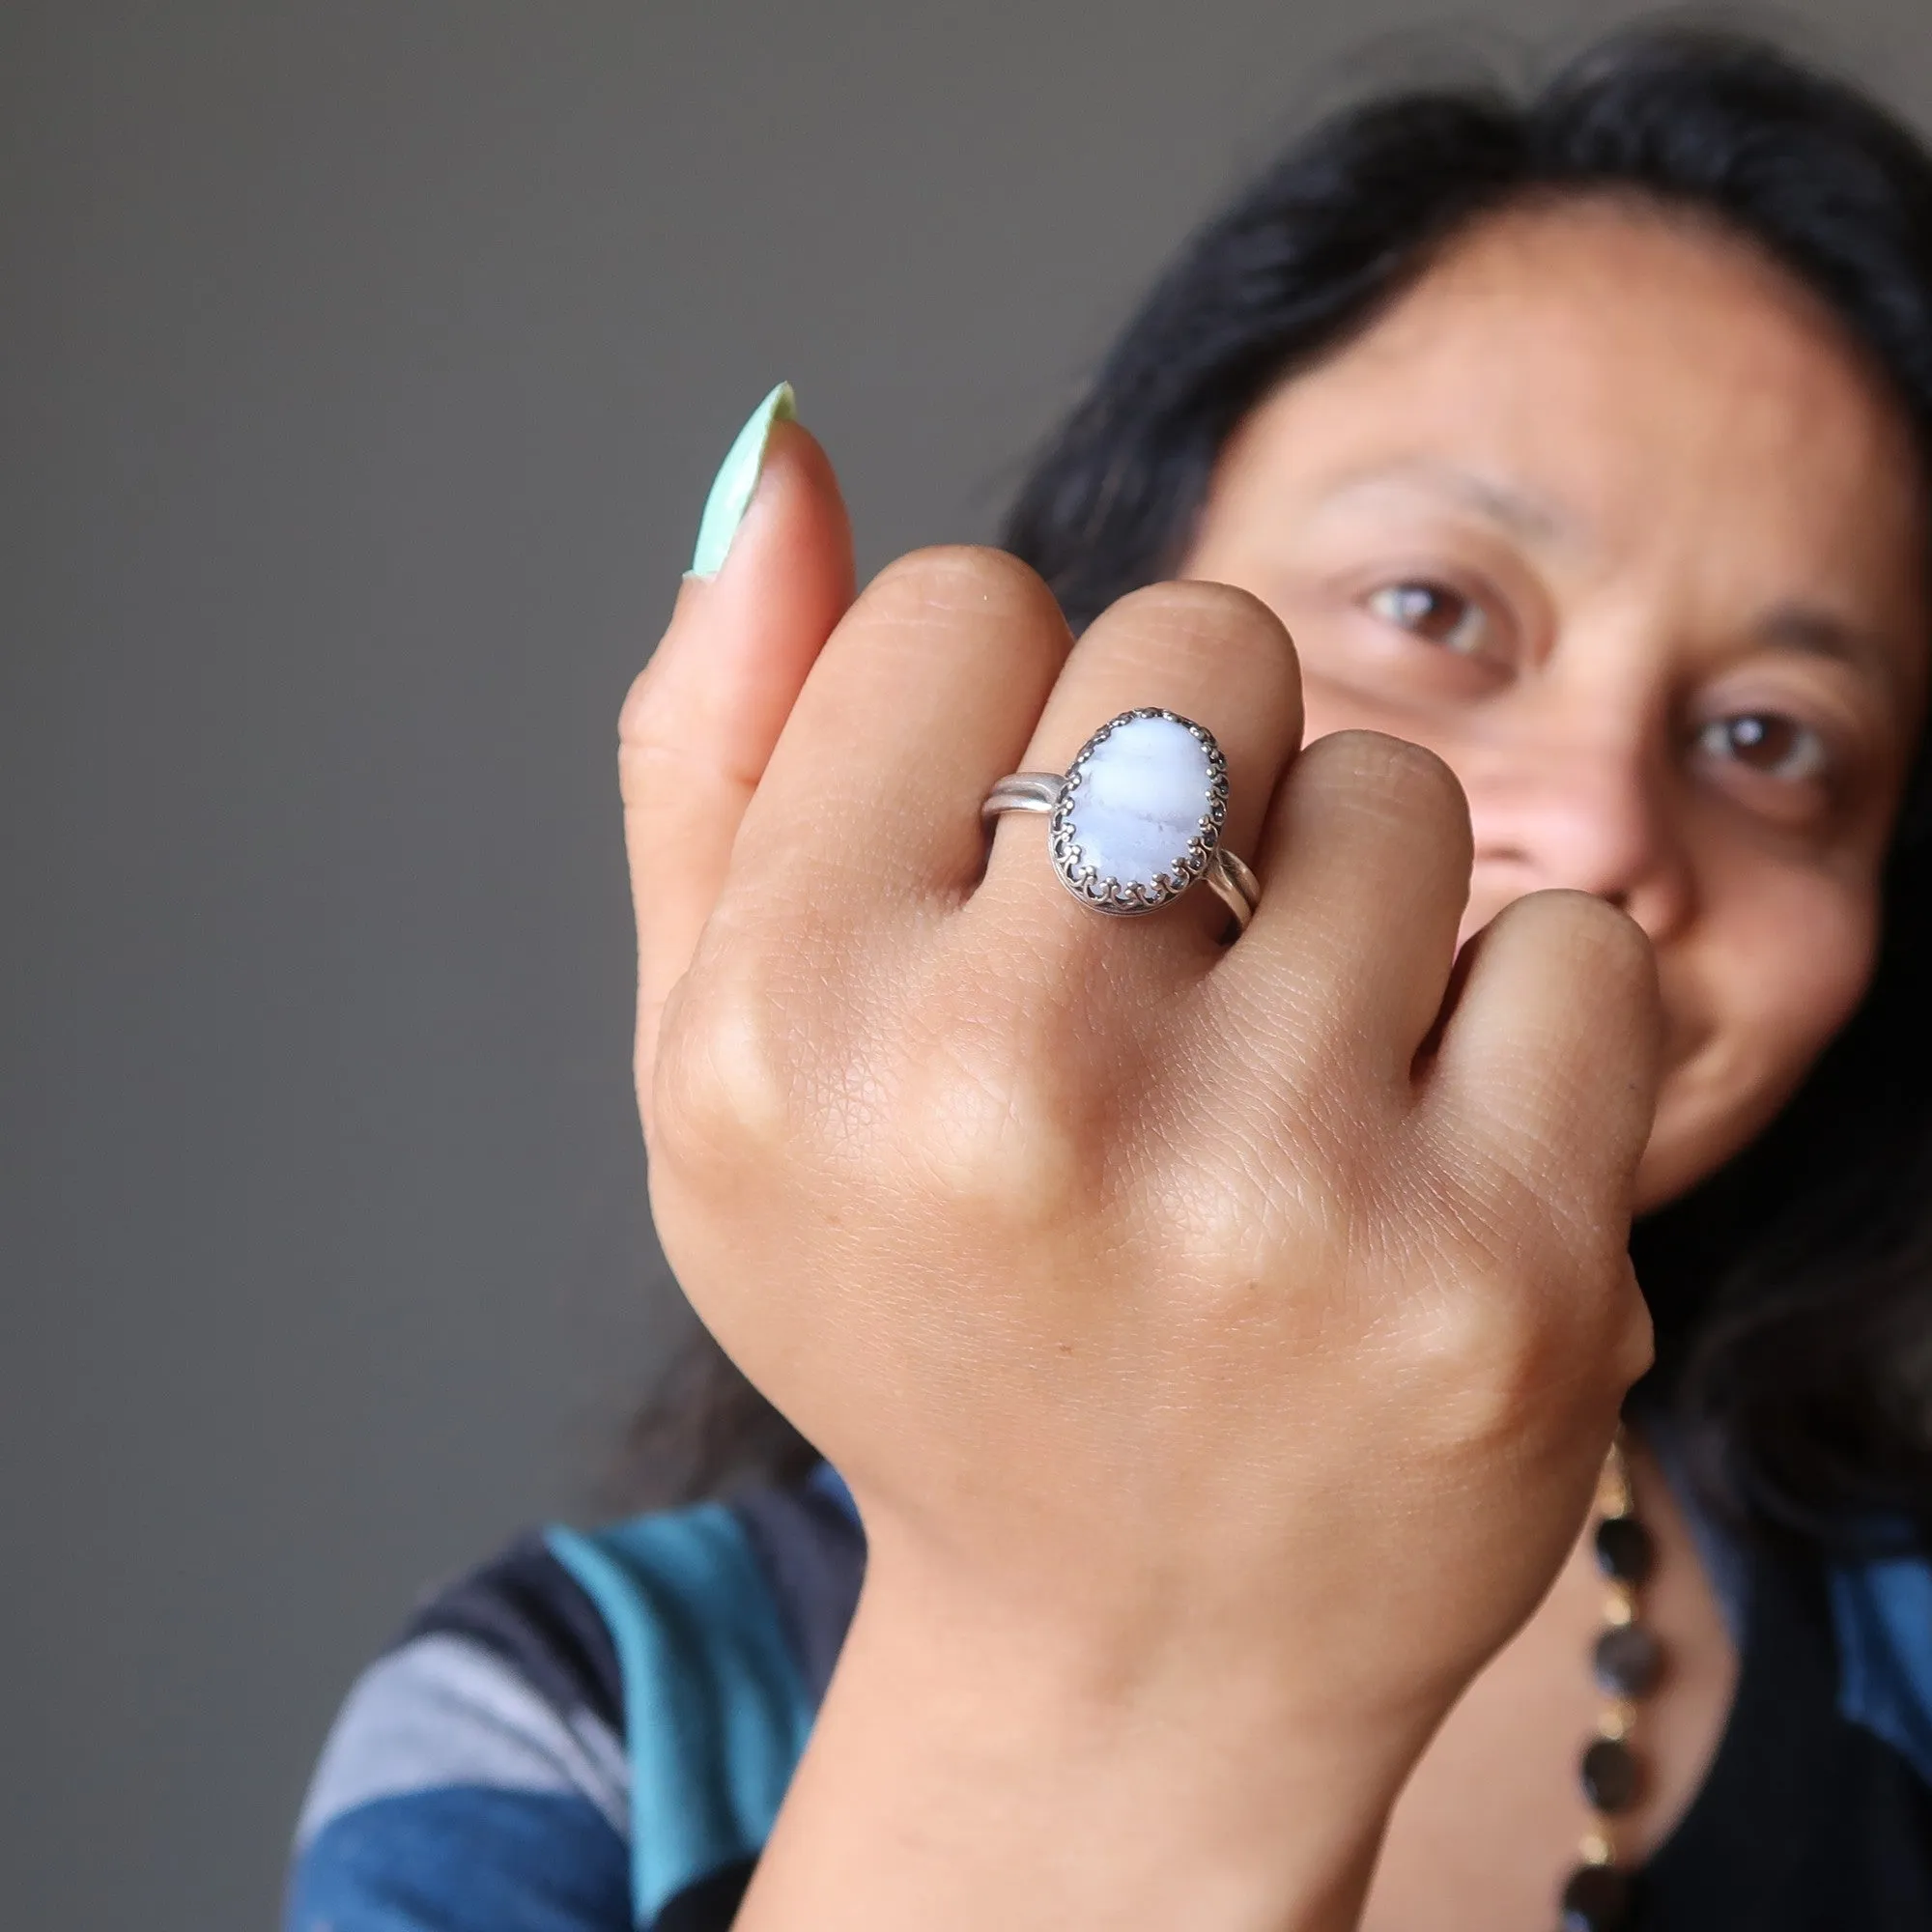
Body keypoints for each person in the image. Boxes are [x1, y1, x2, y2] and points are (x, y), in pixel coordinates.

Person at [284, 24, 1932, 1932]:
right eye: (1434, 608)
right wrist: (1098, 1645)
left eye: (1769, 739)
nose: (1596, 819)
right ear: (1105, 651)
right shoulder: (560, 1729)